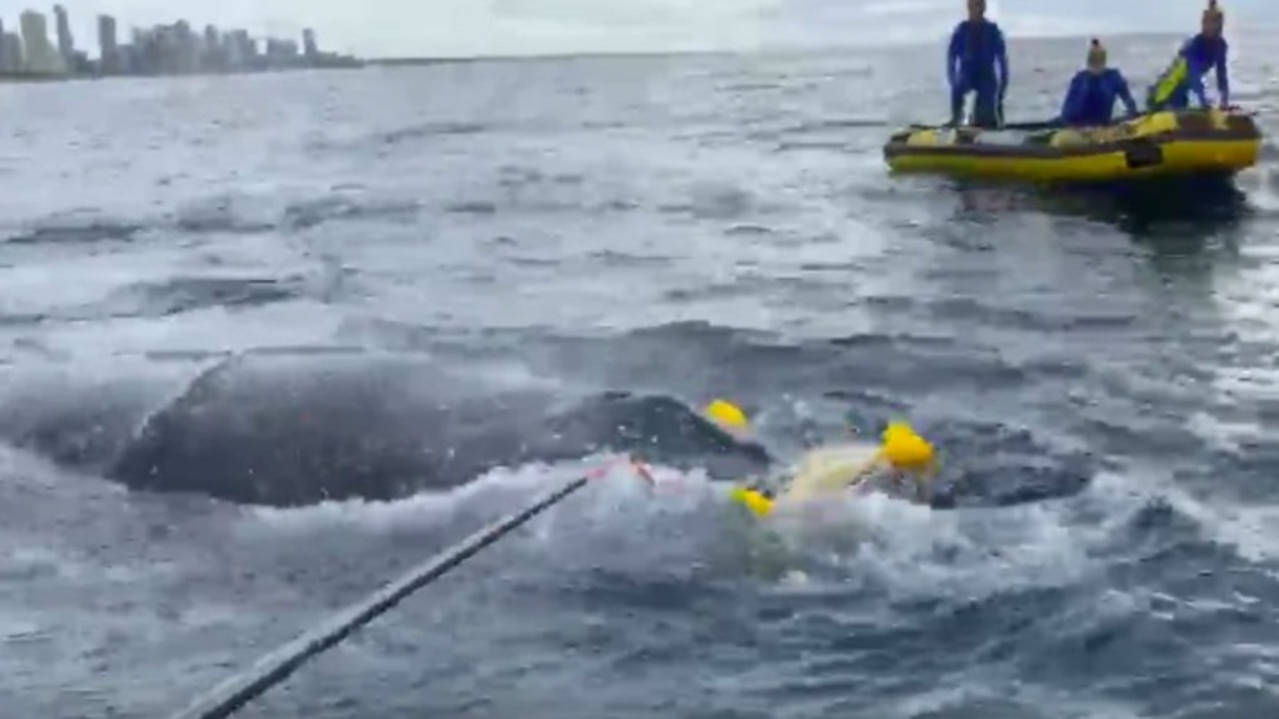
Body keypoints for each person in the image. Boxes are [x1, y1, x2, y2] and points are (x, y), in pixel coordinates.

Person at [1146, 0, 1230, 111]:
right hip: (1167, 91)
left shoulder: (1220, 45)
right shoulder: (1194, 44)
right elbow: (1193, 75)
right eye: (1205, 22)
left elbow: (1222, 77)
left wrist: (1224, 102)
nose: (1209, 26)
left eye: (1214, 23)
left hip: (1183, 91)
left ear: (1220, 24)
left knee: (1182, 104)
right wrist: (1204, 102)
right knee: (1166, 101)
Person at [946, 0, 1010, 128]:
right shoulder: (961, 31)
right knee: (959, 88)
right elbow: (951, 59)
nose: (976, 9)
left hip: (986, 78)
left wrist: (1001, 91)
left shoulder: (992, 31)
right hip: (966, 76)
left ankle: (989, 120)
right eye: (973, 5)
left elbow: (1003, 61)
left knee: (985, 117)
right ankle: (957, 119)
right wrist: (953, 83)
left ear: (984, 8)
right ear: (968, 7)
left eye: (979, 5)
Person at [1058, 39, 1139, 127]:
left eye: (1098, 64)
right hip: (1079, 125)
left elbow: (1128, 100)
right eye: (1093, 64)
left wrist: (1131, 115)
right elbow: (1068, 111)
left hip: (1102, 124)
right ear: (1088, 63)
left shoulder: (1113, 77)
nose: (1096, 69)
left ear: (1103, 62)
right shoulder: (1080, 79)